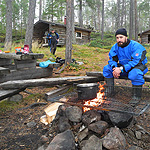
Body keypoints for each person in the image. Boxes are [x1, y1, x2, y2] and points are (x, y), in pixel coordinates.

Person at [103, 28, 148, 102]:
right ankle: (109, 92)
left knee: (135, 74)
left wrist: (121, 69)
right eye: (117, 38)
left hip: (137, 66)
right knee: (107, 69)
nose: (119, 40)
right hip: (122, 67)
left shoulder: (136, 46)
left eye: (121, 37)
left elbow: (136, 62)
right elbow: (112, 59)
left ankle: (136, 97)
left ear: (126, 37)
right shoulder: (115, 46)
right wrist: (115, 68)